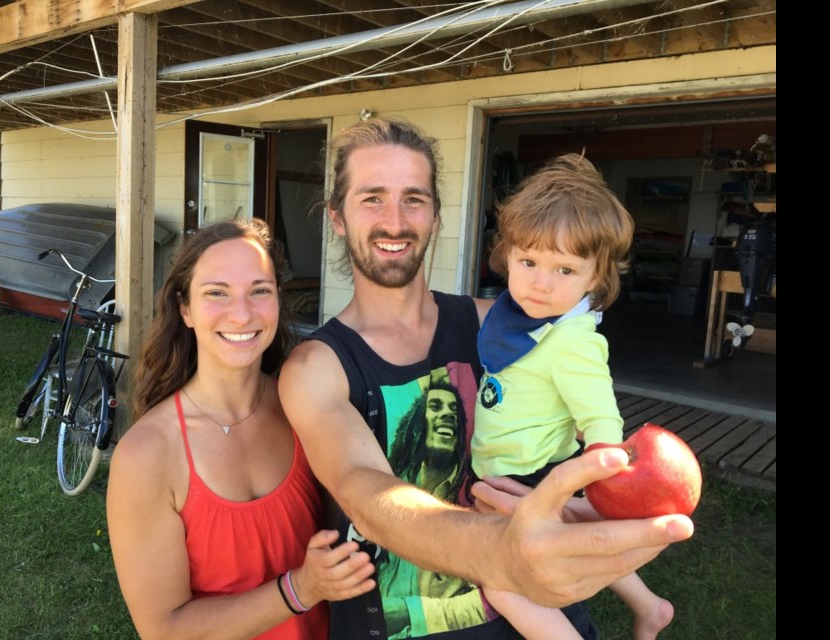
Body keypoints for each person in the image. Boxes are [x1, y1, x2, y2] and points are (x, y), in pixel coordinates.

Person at [277, 117, 694, 640]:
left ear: (435, 216)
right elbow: (368, 495)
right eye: (371, 199)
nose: (394, 221)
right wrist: (502, 550)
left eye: (413, 199)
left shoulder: (499, 327)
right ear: (336, 217)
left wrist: (600, 495)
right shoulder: (317, 367)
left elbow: (574, 410)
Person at [106, 219, 376, 640]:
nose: (242, 312)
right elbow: (163, 630)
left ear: (277, 301)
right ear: (185, 308)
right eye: (216, 292)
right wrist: (300, 589)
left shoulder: (306, 407)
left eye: (259, 291)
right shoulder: (148, 454)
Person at [470, 153, 675, 640]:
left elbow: (600, 413)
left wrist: (604, 462)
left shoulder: (573, 339)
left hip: (530, 474)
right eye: (528, 262)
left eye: (565, 270)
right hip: (512, 466)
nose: (540, 282)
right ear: (508, 255)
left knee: (500, 583)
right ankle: (649, 605)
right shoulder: (523, 317)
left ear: (596, 279)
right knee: (578, 545)